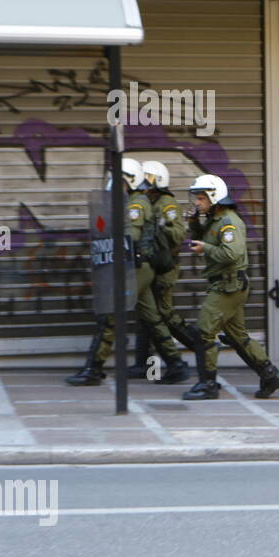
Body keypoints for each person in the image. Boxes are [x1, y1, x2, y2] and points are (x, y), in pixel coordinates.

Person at [66, 157, 181, 386]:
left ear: (131, 180)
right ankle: (176, 363)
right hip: (141, 268)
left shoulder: (136, 203)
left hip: (136, 267)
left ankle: (93, 368)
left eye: (119, 180)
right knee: (151, 318)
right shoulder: (129, 200)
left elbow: (132, 236)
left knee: (109, 314)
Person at [181, 174, 279, 401]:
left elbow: (232, 253)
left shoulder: (228, 222)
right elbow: (203, 238)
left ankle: (207, 384)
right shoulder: (213, 219)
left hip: (228, 286)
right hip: (226, 284)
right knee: (237, 336)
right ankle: (270, 375)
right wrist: (193, 223)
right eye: (196, 198)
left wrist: (205, 249)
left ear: (214, 197)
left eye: (200, 198)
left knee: (203, 332)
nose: (196, 203)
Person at [136, 160, 193, 384]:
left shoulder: (166, 203)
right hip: (152, 266)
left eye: (148, 180)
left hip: (163, 269)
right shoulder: (148, 201)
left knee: (163, 316)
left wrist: (159, 226)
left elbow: (178, 233)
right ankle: (143, 363)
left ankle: (202, 347)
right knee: (147, 316)